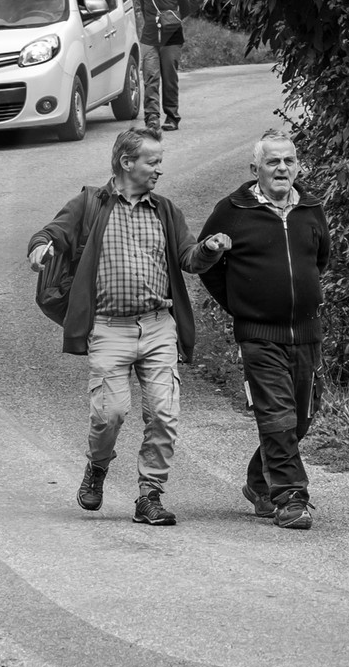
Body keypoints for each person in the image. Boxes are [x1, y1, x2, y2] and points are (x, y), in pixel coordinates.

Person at [27, 127, 230, 527]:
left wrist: (207, 249)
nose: (159, 169)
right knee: (110, 413)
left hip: (158, 327)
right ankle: (98, 467)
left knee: (164, 415)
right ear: (126, 162)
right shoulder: (90, 204)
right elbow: (52, 233)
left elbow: (188, 257)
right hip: (108, 328)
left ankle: (149, 496)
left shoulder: (166, 210)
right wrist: (40, 249)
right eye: (153, 161)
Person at [198, 129, 332, 530]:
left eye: (288, 161)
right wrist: (243, 304)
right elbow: (207, 265)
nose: (282, 168)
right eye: (273, 161)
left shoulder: (311, 208)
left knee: (302, 418)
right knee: (277, 415)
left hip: (307, 332)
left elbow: (320, 260)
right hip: (258, 334)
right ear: (255, 168)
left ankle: (259, 482)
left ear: (298, 166)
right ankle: (291, 498)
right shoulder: (232, 210)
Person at [138, 0, 193, 134]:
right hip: (149, 38)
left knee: (169, 78)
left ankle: (171, 117)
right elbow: (145, 7)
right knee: (150, 78)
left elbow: (185, 9)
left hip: (171, 38)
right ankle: (152, 118)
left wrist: (169, 20)